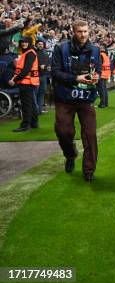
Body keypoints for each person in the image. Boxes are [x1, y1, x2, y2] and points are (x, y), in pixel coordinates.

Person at [51, 20, 101, 181]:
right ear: (73, 31)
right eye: (80, 31)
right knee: (63, 132)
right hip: (65, 98)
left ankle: (89, 170)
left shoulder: (95, 50)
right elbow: (55, 73)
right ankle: (70, 154)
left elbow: (98, 70)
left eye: (85, 31)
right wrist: (76, 78)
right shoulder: (61, 48)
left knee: (90, 134)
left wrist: (95, 77)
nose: (83, 34)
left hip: (86, 99)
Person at [8, 37, 39, 132]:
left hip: (27, 82)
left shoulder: (29, 53)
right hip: (29, 81)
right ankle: (34, 123)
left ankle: (25, 125)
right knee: (32, 104)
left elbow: (26, 69)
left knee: (26, 104)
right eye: (22, 42)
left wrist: (15, 79)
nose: (23, 44)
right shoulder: (28, 53)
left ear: (29, 43)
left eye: (26, 42)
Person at [34, 39, 50, 114]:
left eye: (42, 44)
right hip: (36, 76)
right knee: (35, 93)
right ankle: (35, 110)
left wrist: (46, 66)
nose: (40, 45)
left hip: (44, 76)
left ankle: (39, 110)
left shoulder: (45, 53)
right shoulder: (34, 53)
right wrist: (39, 66)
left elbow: (48, 63)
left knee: (42, 93)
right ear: (36, 45)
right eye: (39, 44)